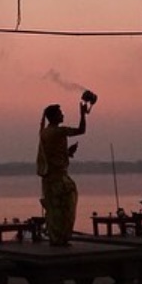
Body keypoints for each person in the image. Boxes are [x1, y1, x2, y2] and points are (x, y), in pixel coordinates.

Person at [37, 101, 89, 246]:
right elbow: (81, 130)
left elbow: (53, 154)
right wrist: (83, 114)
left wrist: (67, 152)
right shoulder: (58, 131)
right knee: (66, 207)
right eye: (60, 113)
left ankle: (57, 238)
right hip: (58, 179)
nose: (63, 115)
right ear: (54, 116)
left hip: (51, 178)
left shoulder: (44, 132)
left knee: (55, 210)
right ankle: (60, 238)